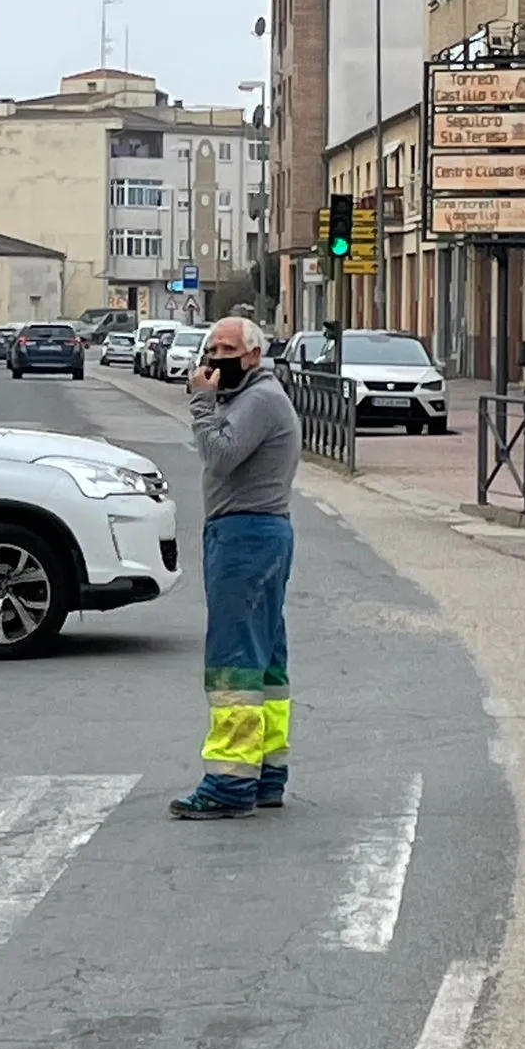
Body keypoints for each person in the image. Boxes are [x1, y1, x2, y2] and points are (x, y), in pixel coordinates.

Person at [171, 315, 302, 820]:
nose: (213, 358)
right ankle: (267, 772)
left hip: (247, 536)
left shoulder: (261, 399)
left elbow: (220, 455)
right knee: (265, 657)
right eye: (210, 348)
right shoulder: (251, 396)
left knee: (234, 661)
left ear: (252, 356)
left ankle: (229, 783)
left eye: (225, 349)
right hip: (256, 532)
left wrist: (202, 402)